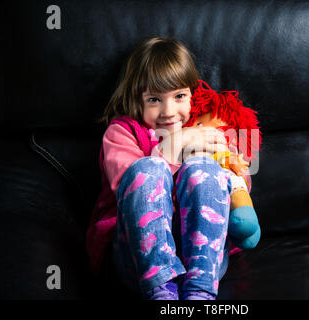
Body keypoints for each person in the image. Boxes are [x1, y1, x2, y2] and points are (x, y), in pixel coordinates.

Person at [86, 37, 247, 300]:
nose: (169, 111)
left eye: (179, 96)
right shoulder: (122, 133)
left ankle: (199, 293)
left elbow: (237, 181)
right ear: (135, 100)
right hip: (138, 259)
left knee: (203, 168)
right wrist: (172, 147)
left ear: (192, 94)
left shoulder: (203, 130)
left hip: (203, 261)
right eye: (154, 100)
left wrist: (229, 169)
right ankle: (161, 293)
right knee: (147, 168)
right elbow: (126, 186)